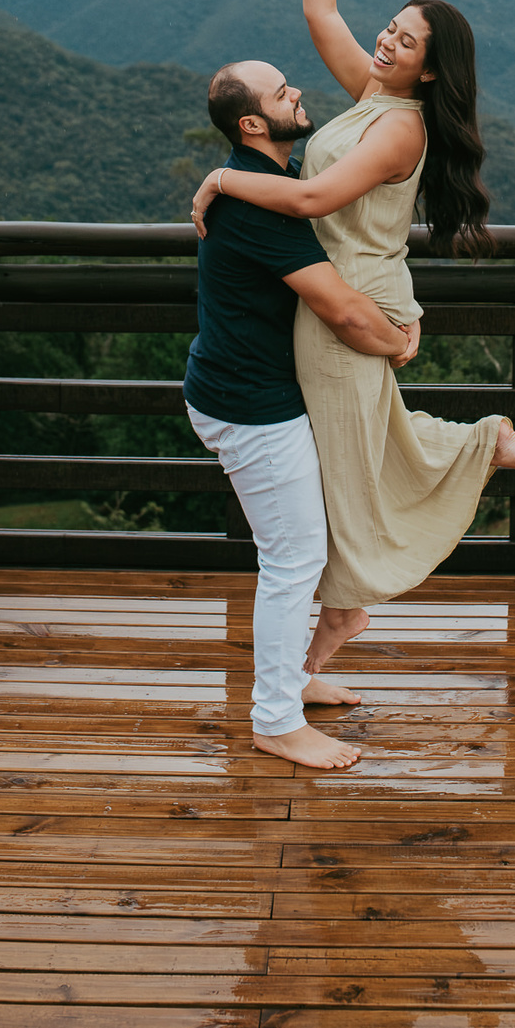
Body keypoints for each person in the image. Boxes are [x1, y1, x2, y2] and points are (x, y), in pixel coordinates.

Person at [192, 0, 515, 676]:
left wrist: (221, 178)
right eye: (389, 27)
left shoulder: (401, 129)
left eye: (405, 40)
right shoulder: (369, 89)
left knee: (346, 463)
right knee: (344, 457)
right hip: (343, 296)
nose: (387, 40)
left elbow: (315, 197)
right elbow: (320, 8)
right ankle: (329, 638)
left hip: (343, 303)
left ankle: (474, 454)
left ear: (430, 70)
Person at [183, 57, 417, 772]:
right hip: (250, 407)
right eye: (284, 93)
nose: (298, 95)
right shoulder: (260, 203)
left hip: (257, 393)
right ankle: (275, 721)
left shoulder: (269, 185)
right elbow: (343, 310)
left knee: (303, 550)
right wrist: (399, 342)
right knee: (291, 561)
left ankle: (298, 681)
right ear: (254, 123)